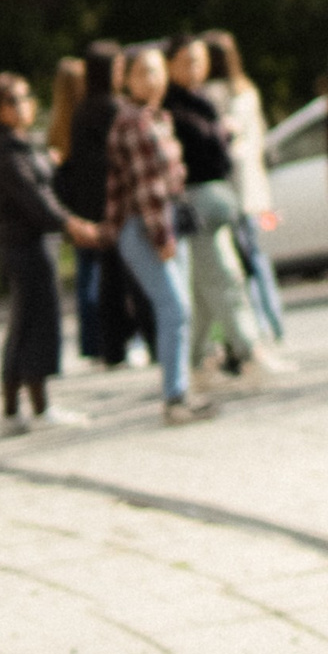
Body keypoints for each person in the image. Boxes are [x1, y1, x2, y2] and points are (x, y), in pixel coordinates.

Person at [0, 72, 102, 434]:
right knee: (31, 325)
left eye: (26, 97)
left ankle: (24, 408)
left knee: (33, 323)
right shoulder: (4, 152)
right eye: (12, 101)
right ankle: (26, 408)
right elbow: (33, 199)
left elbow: (42, 189)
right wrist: (72, 225)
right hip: (25, 246)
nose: (23, 106)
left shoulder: (22, 145)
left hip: (37, 244)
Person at [107, 45, 213, 424]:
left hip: (166, 219)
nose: (152, 80)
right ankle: (174, 396)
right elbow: (146, 187)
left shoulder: (158, 116)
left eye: (156, 71)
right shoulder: (133, 122)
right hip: (145, 226)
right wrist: (162, 236)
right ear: (127, 80)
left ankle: (180, 391)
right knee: (174, 308)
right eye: (143, 73)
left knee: (180, 310)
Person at [166, 35, 273, 380]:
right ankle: (248, 349)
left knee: (204, 289)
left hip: (217, 199)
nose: (194, 68)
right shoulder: (171, 106)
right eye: (186, 61)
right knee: (224, 278)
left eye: (199, 60)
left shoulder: (205, 99)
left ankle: (195, 358)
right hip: (193, 203)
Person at [55, 41, 149, 367]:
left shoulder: (83, 109)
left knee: (104, 278)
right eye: (120, 68)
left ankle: (109, 346)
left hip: (92, 205)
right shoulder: (111, 109)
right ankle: (133, 339)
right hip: (112, 205)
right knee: (123, 277)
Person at [204, 29, 286, 343]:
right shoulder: (247, 89)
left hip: (234, 187)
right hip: (254, 187)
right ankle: (274, 322)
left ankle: (261, 324)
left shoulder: (216, 94)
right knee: (258, 258)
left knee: (244, 260)